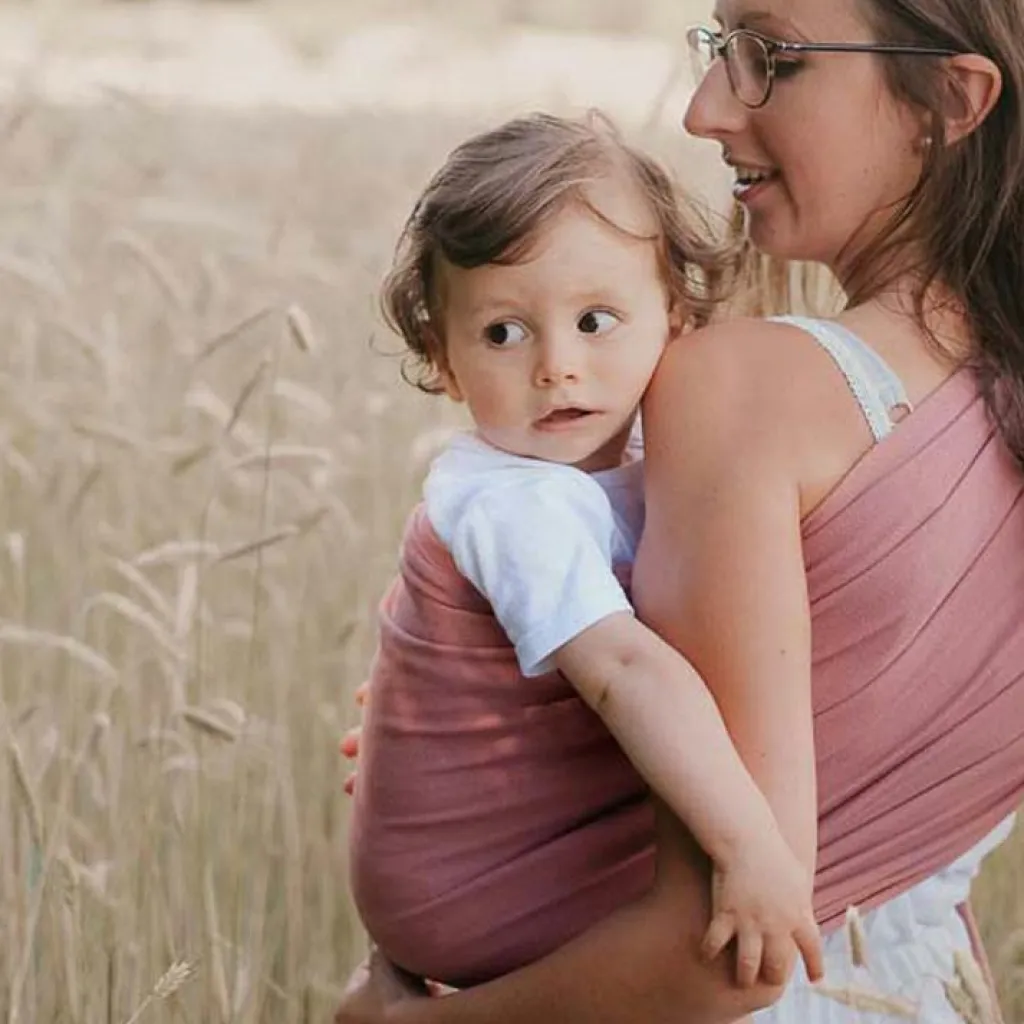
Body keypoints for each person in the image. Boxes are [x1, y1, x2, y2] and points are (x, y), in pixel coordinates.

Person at [336, 0, 1024, 1021]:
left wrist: (402, 1023)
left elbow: (721, 962)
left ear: (949, 101)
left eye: (769, 59)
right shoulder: (999, 405)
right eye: (716, 51)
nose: (705, 110)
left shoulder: (740, 392)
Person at [348, 111, 822, 996]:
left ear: (675, 317)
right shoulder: (514, 500)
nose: (557, 366)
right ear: (443, 361)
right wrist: (754, 846)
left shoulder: (651, 460)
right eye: (502, 333)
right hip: (476, 890)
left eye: (596, 319)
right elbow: (623, 670)